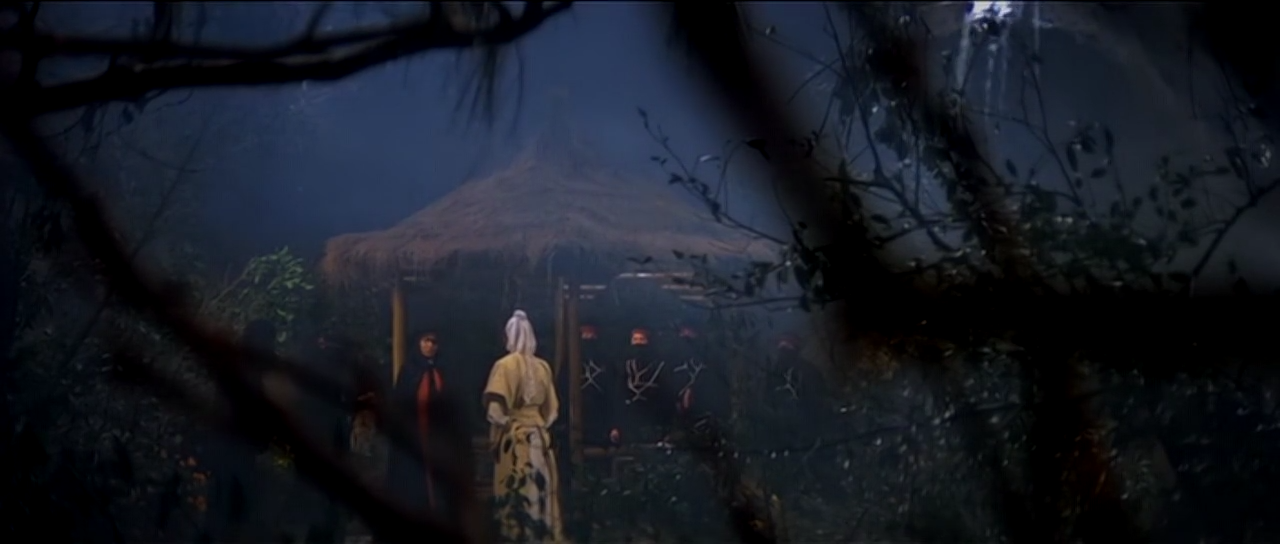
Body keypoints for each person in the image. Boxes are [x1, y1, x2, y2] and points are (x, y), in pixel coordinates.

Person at [483, 310, 564, 542]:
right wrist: (539, 425)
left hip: (515, 439)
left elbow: (495, 411)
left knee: (517, 490)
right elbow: (552, 411)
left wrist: (510, 423)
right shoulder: (543, 367)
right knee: (540, 490)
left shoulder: (504, 366)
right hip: (539, 437)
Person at [206, 319, 276, 543]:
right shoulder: (245, 368)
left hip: (234, 451)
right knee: (229, 514)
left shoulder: (241, 365)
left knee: (226, 513)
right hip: (234, 451)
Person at [384, 330, 449, 517]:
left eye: (433, 342)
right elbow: (400, 402)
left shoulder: (442, 370)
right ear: (419, 343)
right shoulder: (409, 371)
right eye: (426, 341)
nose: (429, 346)